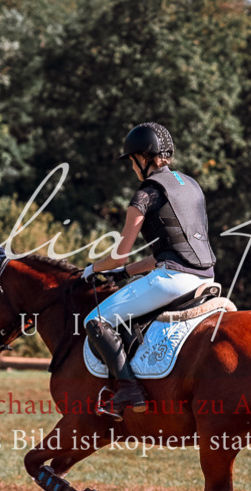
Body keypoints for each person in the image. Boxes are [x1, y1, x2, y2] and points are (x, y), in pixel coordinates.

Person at [81, 122, 216, 419]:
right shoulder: (191, 185)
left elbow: (118, 255)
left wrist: (92, 269)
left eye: (132, 161)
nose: (132, 168)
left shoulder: (146, 193)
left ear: (144, 158)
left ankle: (129, 390)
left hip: (173, 280)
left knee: (96, 320)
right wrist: (126, 272)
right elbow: (170, 252)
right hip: (205, 277)